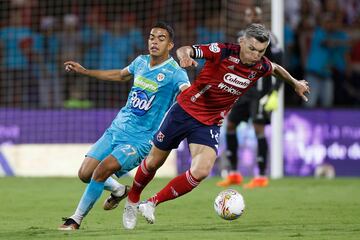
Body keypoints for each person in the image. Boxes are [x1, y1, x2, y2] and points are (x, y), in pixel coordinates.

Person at [122, 23, 310, 229]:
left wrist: (295, 83)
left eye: (261, 51)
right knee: (152, 163)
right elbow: (186, 49)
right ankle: (132, 201)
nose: (256, 55)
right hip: (183, 112)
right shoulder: (222, 51)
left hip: (209, 123)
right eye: (252, 49)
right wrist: (184, 57)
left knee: (201, 171)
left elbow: (276, 68)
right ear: (242, 42)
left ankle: (151, 203)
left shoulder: (260, 65)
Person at [58, 21, 190, 230]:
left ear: (171, 45)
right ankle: (119, 190)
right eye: (152, 37)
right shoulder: (140, 62)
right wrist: (85, 71)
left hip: (140, 140)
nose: (154, 42)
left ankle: (75, 220)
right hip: (117, 129)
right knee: (85, 174)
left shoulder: (175, 72)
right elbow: (119, 75)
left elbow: (187, 94)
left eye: (161, 39)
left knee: (101, 171)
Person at [216, 6, 283, 188]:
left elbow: (279, 65)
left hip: (261, 91)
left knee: (258, 128)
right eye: (248, 14)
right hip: (242, 89)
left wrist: (275, 92)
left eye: (255, 14)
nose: (251, 17)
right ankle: (234, 173)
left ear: (262, 17)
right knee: (230, 125)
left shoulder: (270, 37)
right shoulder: (241, 36)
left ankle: (261, 175)